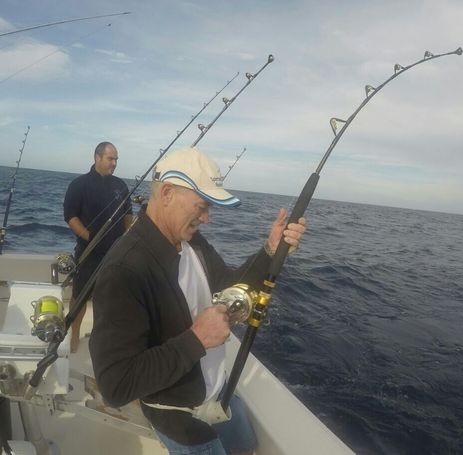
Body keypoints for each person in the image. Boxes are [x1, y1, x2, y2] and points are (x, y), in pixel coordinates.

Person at [89, 147, 306, 455]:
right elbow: (116, 386)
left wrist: (270, 250)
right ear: (167, 193)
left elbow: (230, 287)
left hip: (220, 393)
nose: (207, 218)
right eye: (202, 206)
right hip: (180, 417)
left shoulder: (192, 241)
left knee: (247, 449)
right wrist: (197, 338)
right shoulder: (124, 271)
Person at [63, 141, 133, 353]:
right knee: (80, 296)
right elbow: (71, 217)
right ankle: (74, 334)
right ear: (97, 157)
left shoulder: (121, 186)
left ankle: (101, 337)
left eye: (116, 159)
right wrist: (90, 238)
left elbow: (128, 215)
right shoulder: (79, 184)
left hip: (116, 253)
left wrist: (126, 238)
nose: (114, 163)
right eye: (110, 159)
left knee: (110, 298)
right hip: (89, 252)